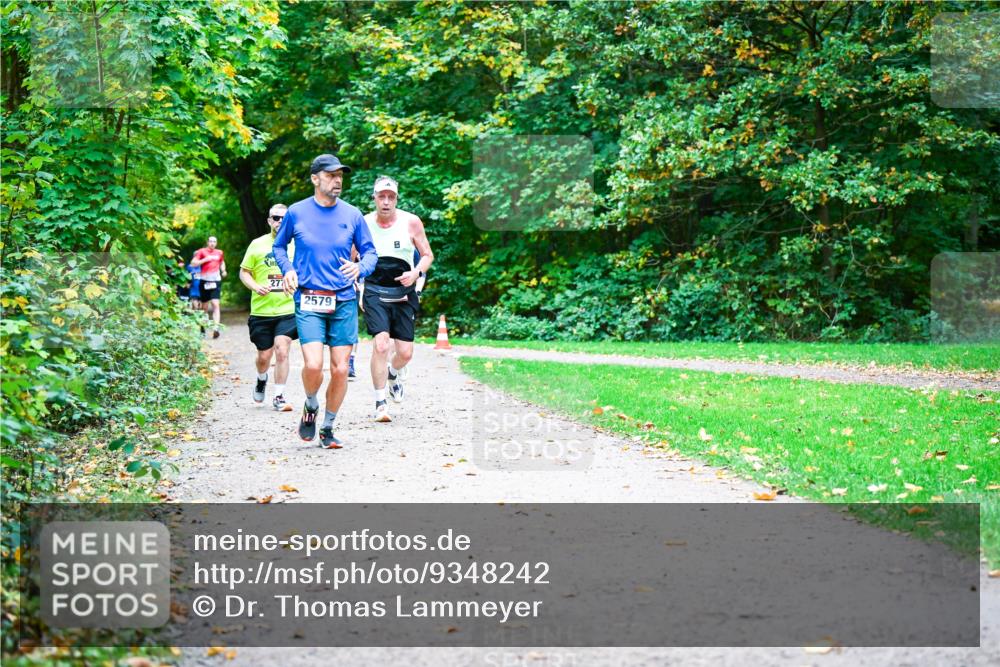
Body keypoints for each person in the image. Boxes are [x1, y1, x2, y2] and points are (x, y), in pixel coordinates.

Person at [272, 154, 377, 449]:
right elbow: (279, 247)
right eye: (331, 175)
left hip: (343, 299)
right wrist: (288, 269)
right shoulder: (296, 212)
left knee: (341, 369)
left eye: (340, 175)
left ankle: (328, 427)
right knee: (314, 365)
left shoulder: (353, 215)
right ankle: (311, 405)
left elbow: (370, 253)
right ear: (315, 178)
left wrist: (361, 268)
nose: (338, 180)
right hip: (309, 298)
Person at [361, 176, 433, 423]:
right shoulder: (363, 223)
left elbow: (427, 255)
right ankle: (380, 403)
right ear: (374, 198)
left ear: (396, 199)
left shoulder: (411, 222)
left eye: (391, 197)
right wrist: (357, 283)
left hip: (403, 294)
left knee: (405, 353)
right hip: (374, 291)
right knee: (381, 344)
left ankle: (394, 373)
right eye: (381, 196)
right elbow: (351, 258)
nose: (386, 201)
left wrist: (415, 273)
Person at [239, 204, 297, 412]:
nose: (280, 221)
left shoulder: (296, 244)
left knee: (282, 350)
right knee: (264, 356)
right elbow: (244, 272)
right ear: (269, 221)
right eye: (276, 218)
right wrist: (256, 286)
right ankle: (261, 378)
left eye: (284, 218)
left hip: (287, 308)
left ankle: (279, 395)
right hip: (261, 311)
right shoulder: (257, 244)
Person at [191, 236, 226, 338]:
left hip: (216, 280)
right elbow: (193, 263)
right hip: (205, 281)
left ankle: (216, 328)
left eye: (214, 241)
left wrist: (223, 270)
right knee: (204, 307)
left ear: (216, 243)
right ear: (207, 242)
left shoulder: (219, 252)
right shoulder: (201, 251)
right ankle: (202, 327)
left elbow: (222, 262)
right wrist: (205, 259)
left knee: (216, 304)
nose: (212, 243)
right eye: (210, 241)